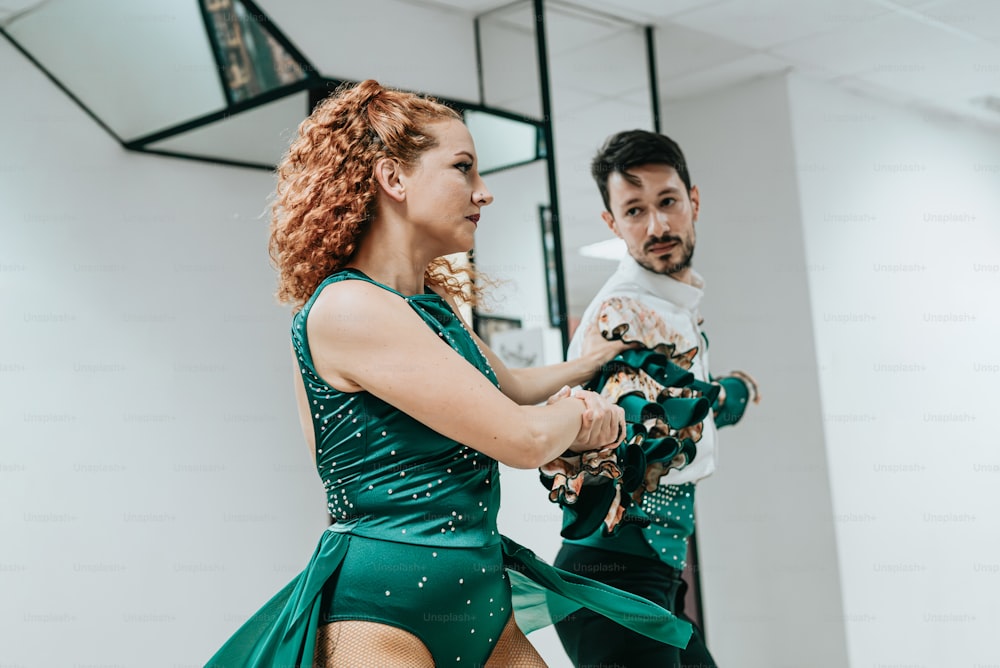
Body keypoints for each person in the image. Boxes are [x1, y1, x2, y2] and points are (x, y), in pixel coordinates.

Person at [204, 82, 694, 668]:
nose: (482, 193)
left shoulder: (431, 308)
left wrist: (595, 363)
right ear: (393, 177)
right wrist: (590, 416)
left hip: (481, 596)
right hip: (382, 615)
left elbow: (509, 388)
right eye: (463, 168)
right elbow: (523, 437)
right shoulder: (348, 308)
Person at [550, 129, 760, 668]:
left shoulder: (669, 306)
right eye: (635, 211)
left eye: (667, 202)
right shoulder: (623, 313)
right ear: (612, 223)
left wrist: (720, 397)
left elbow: (676, 404)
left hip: (653, 570)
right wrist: (732, 394)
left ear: (693, 199)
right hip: (613, 576)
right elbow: (653, 425)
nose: (658, 226)